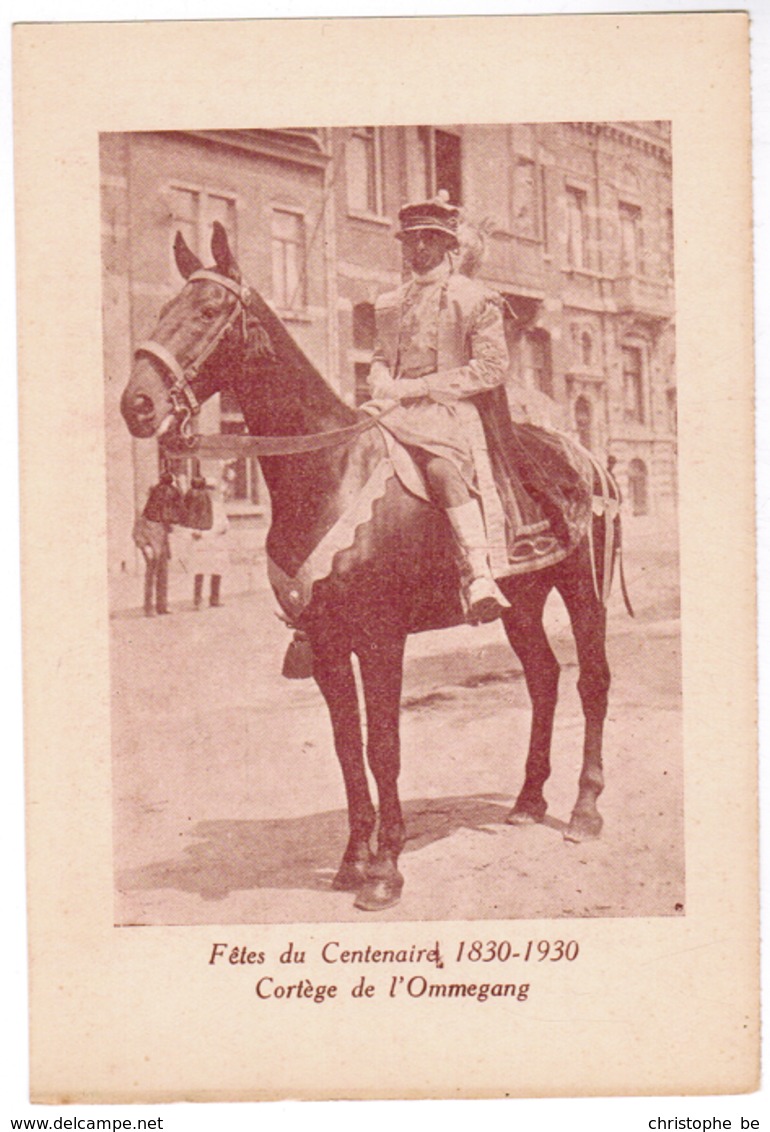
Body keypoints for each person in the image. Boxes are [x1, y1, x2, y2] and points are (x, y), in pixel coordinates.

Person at [365, 193, 511, 622]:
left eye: (429, 239)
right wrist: (378, 377)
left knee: (442, 471)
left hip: (449, 412)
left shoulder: (475, 298)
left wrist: (422, 387)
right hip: (392, 408)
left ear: (449, 245)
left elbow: (490, 368)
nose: (419, 249)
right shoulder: (390, 303)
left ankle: (479, 574)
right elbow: (380, 353)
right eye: (411, 240)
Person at [132, 470, 183, 616]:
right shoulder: (147, 515)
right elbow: (137, 532)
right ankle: (148, 607)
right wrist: (144, 546)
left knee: (163, 574)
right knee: (151, 576)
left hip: (162, 545)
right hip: (151, 547)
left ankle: (162, 605)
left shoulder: (162, 515)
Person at [185, 476, 230, 609]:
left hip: (216, 542)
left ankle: (214, 599)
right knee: (200, 570)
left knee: (217, 570)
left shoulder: (218, 506)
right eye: (208, 489)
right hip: (202, 543)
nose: (210, 492)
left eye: (212, 489)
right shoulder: (196, 505)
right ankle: (197, 600)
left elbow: (225, 523)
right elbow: (189, 523)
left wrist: (222, 528)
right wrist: (194, 532)